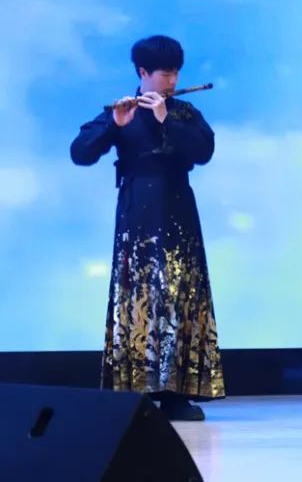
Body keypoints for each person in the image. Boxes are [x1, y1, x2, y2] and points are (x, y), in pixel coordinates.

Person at [70, 35, 224, 421]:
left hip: (178, 211)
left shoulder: (182, 112)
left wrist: (165, 118)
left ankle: (176, 395)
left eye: (175, 73)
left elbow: (203, 152)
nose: (172, 80)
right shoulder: (122, 110)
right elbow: (80, 153)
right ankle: (135, 394)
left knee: (180, 296)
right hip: (136, 213)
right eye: (164, 73)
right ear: (143, 73)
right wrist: (113, 126)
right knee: (137, 298)